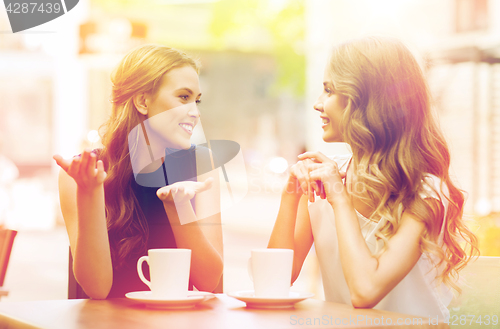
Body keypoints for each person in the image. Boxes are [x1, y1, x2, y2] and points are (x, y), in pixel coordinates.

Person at [268, 36, 478, 319]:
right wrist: (290, 195)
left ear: (365, 103)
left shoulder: (427, 193)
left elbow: (365, 291)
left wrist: (340, 198)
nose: (318, 104)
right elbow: (273, 282)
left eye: (329, 91)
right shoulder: (325, 180)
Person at [54, 45, 223, 299]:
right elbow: (97, 289)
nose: (195, 113)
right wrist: (89, 192)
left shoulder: (201, 165)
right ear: (143, 101)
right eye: (183, 97)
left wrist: (179, 206)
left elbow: (210, 280)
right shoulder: (80, 175)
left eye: (196, 100)